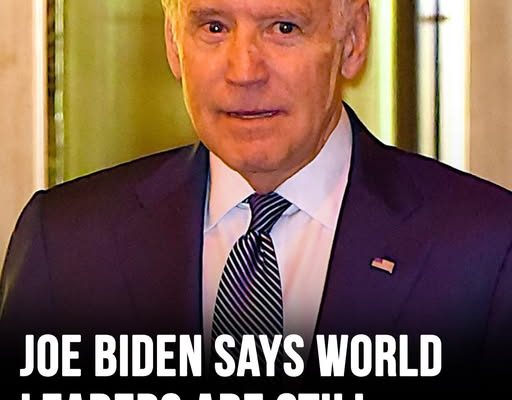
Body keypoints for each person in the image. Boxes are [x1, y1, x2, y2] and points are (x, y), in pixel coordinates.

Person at [1, 0, 511, 397]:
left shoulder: (485, 252)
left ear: (353, 40)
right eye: (213, 27)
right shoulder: (65, 245)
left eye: (283, 28)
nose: (244, 70)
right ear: (174, 44)